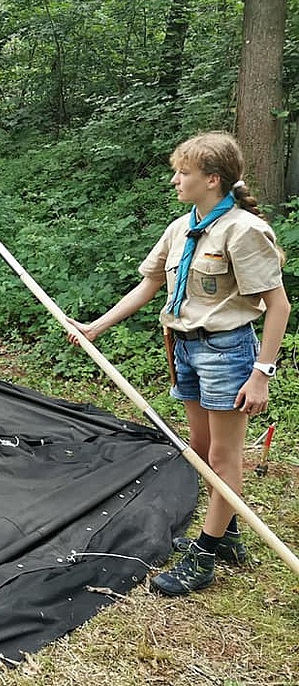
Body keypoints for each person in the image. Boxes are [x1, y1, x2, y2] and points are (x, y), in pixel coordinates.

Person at [67, 132, 291, 596]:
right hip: (185, 350)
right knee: (202, 448)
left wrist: (260, 374)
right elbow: (149, 287)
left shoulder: (244, 230)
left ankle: (204, 557)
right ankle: (227, 534)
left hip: (227, 353)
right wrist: (95, 328)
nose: (175, 180)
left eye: (183, 173)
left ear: (212, 179)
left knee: (223, 457)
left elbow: (279, 306)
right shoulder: (180, 228)